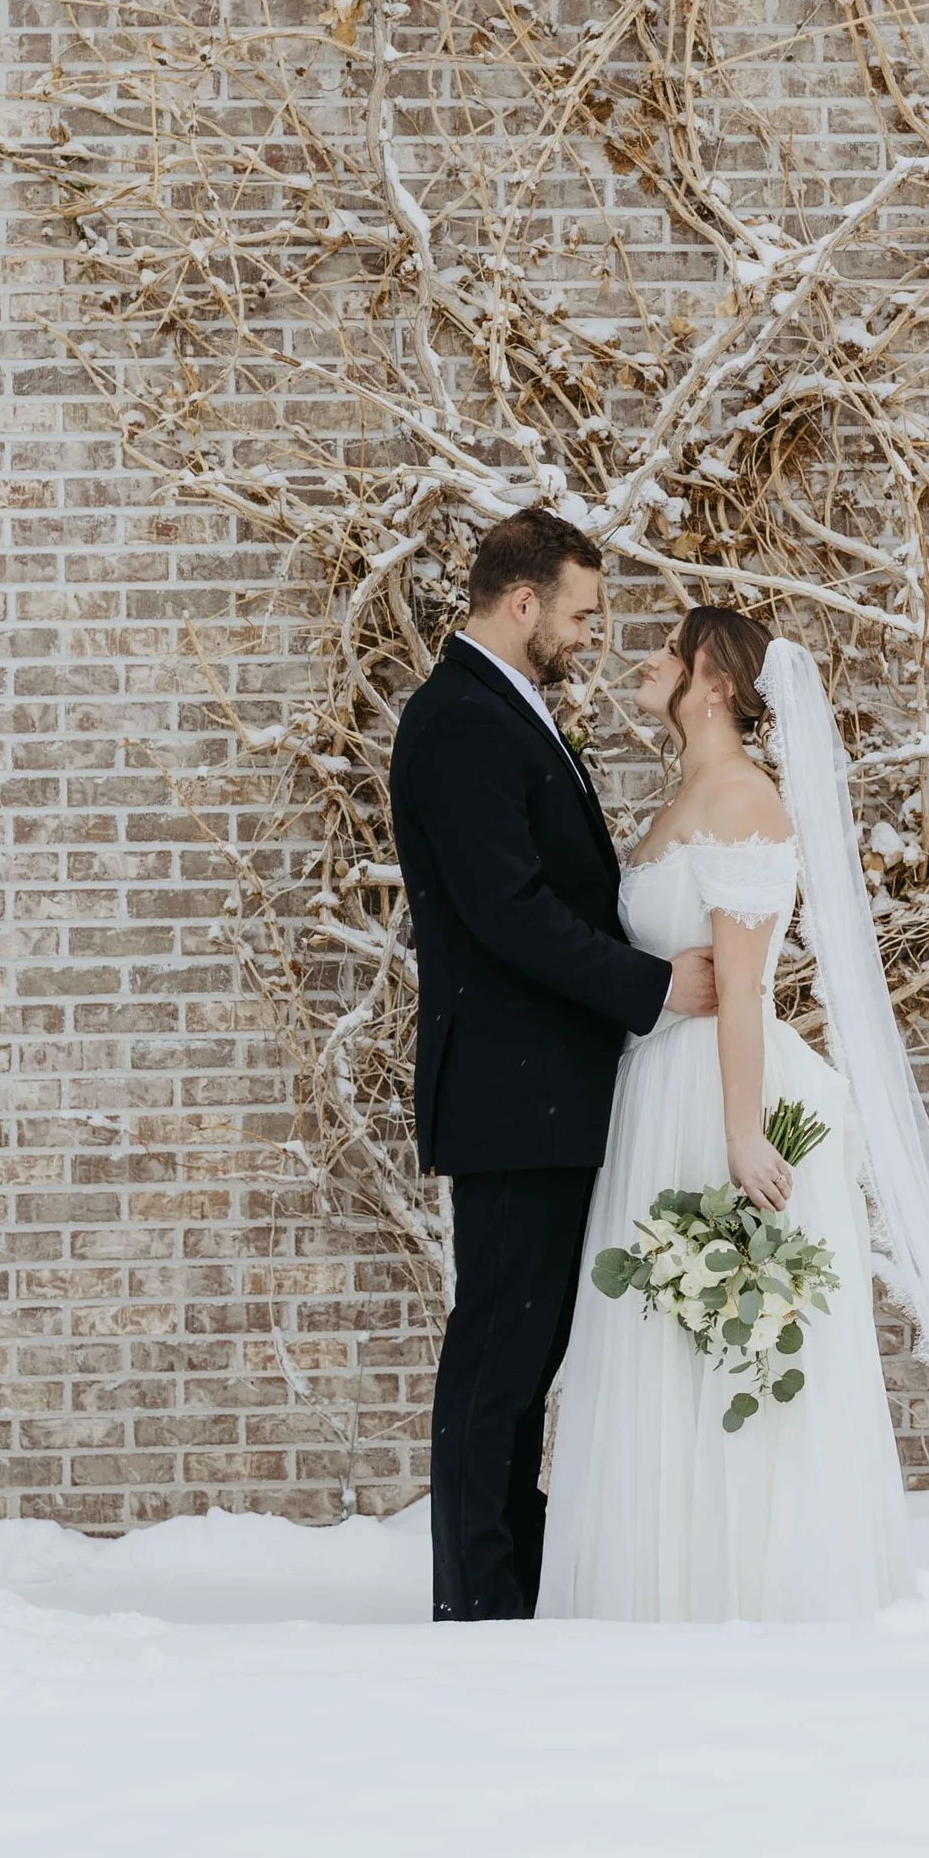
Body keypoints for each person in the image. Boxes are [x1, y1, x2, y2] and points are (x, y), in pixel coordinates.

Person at [537, 605, 914, 1622]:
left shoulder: (743, 800)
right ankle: (657, 1573)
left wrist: (743, 1134)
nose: (642, 661)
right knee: (654, 1340)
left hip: (720, 1093)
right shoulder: (683, 795)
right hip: (658, 1083)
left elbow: (743, 988)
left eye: (666, 650)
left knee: (716, 1333)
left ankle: (738, 1582)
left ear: (711, 680)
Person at [388, 510, 718, 1621]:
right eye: (580, 612)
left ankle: (507, 1594)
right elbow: (509, 911)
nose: (591, 633)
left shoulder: (503, 709)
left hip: (540, 1089)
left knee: (522, 1357)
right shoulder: (460, 722)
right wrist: (656, 986)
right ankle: (478, 1608)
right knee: (497, 1358)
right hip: (509, 1092)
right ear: (520, 602)